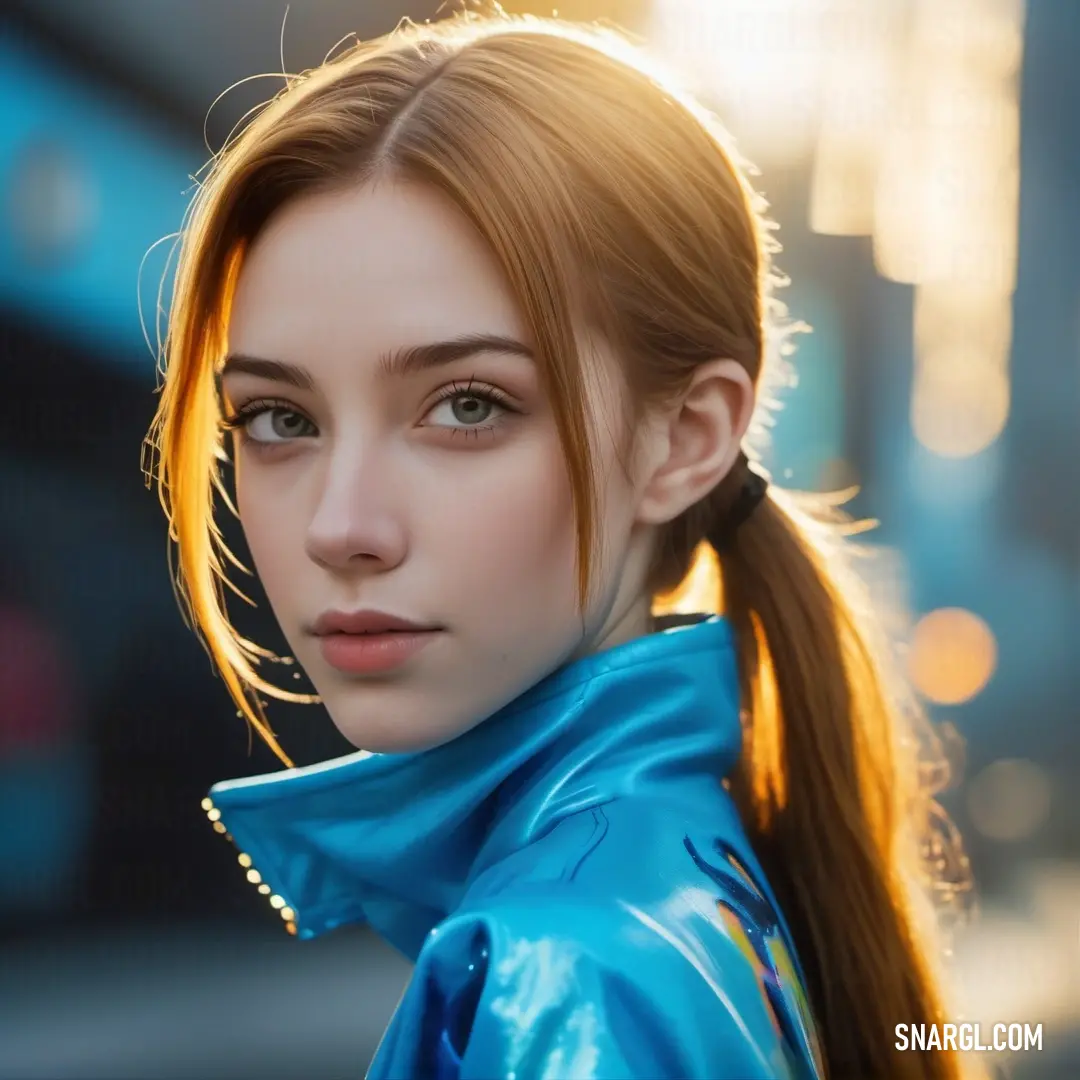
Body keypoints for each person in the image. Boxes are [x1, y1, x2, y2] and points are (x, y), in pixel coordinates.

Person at [145, 12, 972, 1079]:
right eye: (279, 419)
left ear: (687, 437)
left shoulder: (564, 974)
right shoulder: (683, 869)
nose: (340, 526)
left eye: (469, 405)